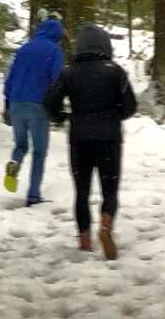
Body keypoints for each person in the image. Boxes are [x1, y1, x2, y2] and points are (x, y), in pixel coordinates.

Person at [51, 30, 141, 256]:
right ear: (105, 46)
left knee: (81, 191)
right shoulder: (115, 72)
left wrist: (63, 117)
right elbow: (130, 106)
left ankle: (84, 242)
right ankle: (105, 227)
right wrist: (114, 116)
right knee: (109, 189)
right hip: (109, 138)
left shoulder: (68, 73)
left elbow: (50, 102)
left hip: (79, 138)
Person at [0, 17, 69, 204]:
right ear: (57, 35)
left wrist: (7, 103)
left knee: (21, 145)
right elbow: (57, 80)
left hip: (16, 103)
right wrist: (57, 106)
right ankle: (34, 194)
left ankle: (15, 163)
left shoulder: (23, 49)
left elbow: (9, 77)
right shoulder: (54, 51)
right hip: (38, 105)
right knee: (39, 151)